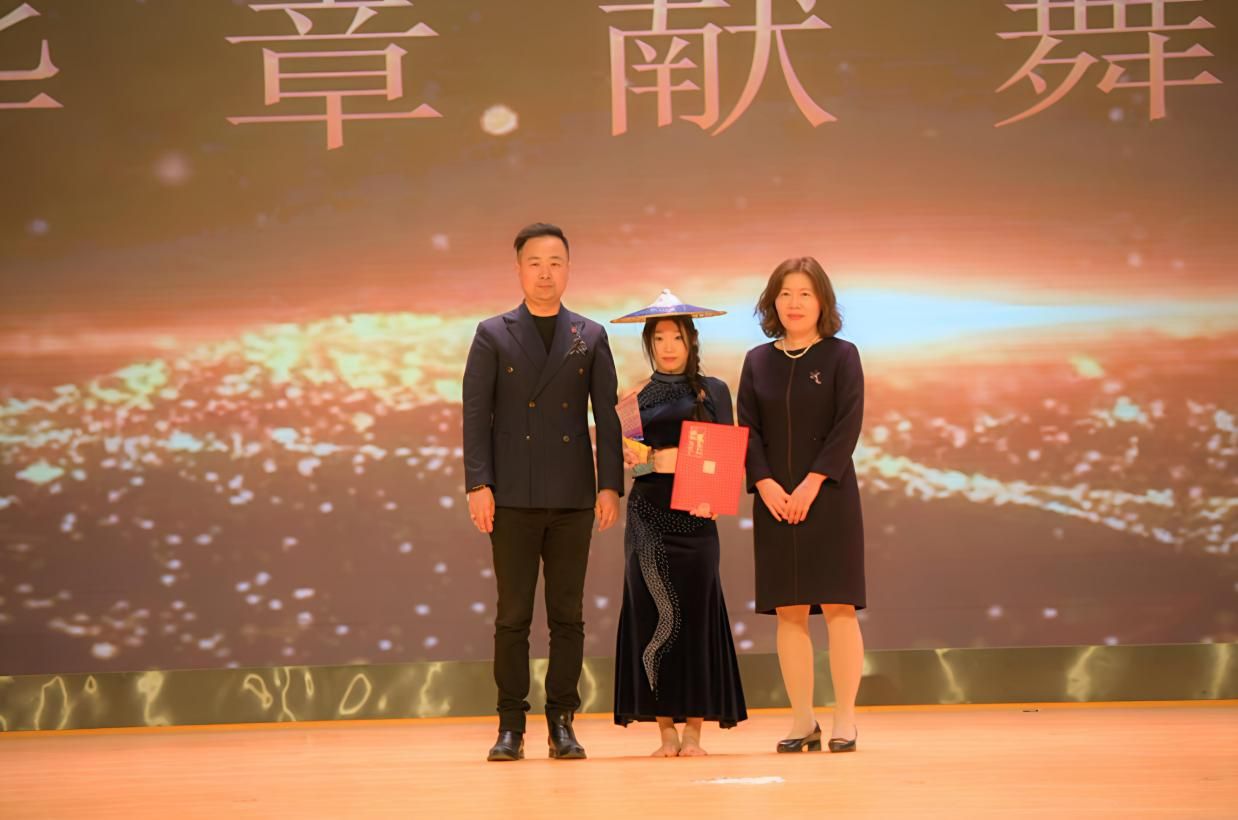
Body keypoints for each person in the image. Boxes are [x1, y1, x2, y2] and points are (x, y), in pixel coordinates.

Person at [462, 223, 623, 761]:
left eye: (555, 262)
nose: (545, 272)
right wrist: (478, 483)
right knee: (512, 616)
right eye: (535, 262)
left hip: (573, 495)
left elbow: (607, 417)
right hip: (510, 494)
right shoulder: (492, 333)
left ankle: (562, 722)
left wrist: (609, 485)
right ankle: (510, 725)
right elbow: (475, 416)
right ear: (519, 269)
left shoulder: (590, 335)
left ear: (569, 269)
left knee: (567, 616)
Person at [736, 257, 866, 754]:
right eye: (785, 293)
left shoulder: (842, 355)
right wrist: (765, 484)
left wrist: (813, 483)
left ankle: (845, 718)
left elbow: (847, 426)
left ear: (822, 301)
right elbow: (748, 430)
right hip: (774, 501)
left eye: (805, 294)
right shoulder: (757, 361)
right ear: (773, 301)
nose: (794, 303)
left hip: (828, 496)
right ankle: (802, 720)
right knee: (788, 611)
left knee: (838, 606)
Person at [610, 290, 747, 757]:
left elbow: (726, 460)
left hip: (697, 518)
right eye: (659, 338)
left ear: (692, 340)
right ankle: (666, 733)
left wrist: (678, 464)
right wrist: (661, 461)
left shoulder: (715, 391)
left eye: (677, 337)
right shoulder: (633, 396)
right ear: (649, 344)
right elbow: (633, 464)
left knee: (696, 619)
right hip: (648, 520)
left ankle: (694, 734)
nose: (668, 346)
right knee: (652, 617)